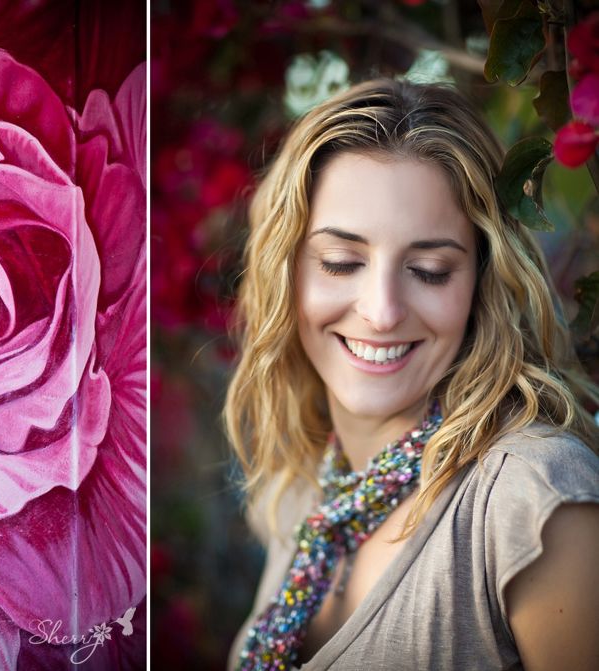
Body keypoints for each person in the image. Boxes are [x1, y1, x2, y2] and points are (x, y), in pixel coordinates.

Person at [223, 78, 599, 671]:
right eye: (341, 262)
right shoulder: (300, 494)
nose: (383, 311)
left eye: (428, 270)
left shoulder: (529, 497)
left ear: (482, 283)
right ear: (285, 270)